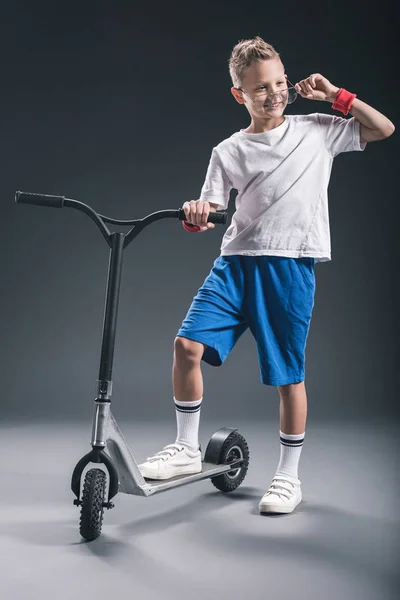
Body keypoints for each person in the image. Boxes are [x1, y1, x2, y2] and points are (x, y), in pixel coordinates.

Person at [138, 36, 395, 514]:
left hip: (289, 266)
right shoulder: (228, 150)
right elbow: (209, 209)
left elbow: (383, 129)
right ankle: (187, 448)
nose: (274, 93)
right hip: (234, 264)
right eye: (260, 88)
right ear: (240, 94)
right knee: (186, 346)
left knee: (288, 376)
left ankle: (287, 477)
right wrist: (197, 211)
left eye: (280, 82)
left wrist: (337, 95)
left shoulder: (317, 129)